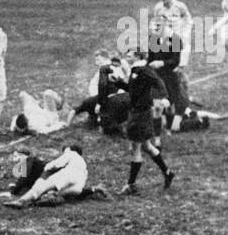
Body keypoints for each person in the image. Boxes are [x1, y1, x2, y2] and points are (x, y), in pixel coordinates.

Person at [118, 55, 175, 196]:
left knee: (136, 148)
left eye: (130, 53)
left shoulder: (144, 69)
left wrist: (164, 97)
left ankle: (131, 184)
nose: (127, 56)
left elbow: (158, 82)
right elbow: (133, 90)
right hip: (136, 112)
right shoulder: (136, 70)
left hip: (140, 113)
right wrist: (119, 83)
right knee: (147, 146)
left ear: (138, 55)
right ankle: (167, 172)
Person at [2, 144, 89, 208]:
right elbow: (81, 184)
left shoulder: (70, 153)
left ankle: (21, 201)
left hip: (68, 175)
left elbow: (54, 165)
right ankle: (51, 198)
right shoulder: (83, 164)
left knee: (42, 187)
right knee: (59, 193)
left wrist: (43, 178)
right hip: (78, 186)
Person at [67, 51, 129, 128]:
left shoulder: (110, 69)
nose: (97, 63)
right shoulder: (103, 71)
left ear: (106, 58)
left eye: (99, 60)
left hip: (106, 98)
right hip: (100, 98)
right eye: (96, 60)